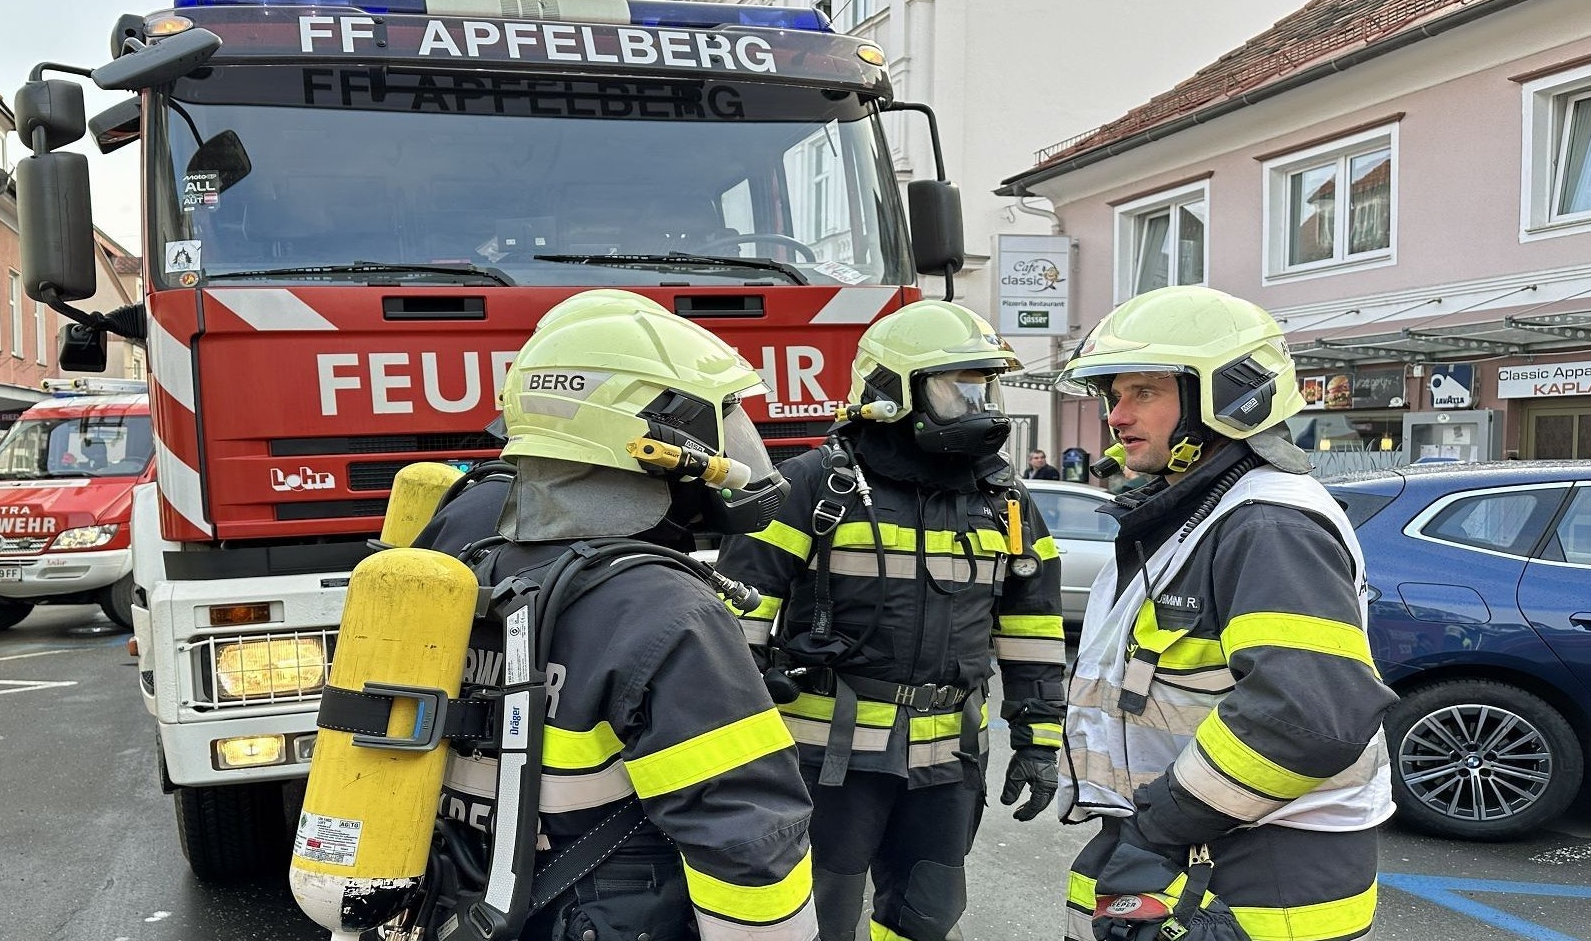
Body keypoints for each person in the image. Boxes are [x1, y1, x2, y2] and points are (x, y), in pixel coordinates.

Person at [412, 289, 817, 941]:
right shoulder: (667, 613)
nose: (740, 447)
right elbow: (746, 842)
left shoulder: (462, 547)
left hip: (465, 902)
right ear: (653, 441)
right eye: (724, 418)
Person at [1051, 286, 1396, 941]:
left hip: (1256, 873)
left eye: (1144, 392)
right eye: (1114, 395)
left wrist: (1157, 826)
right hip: (1203, 848)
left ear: (1229, 397)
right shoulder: (1202, 513)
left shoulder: (1267, 523)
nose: (1117, 416)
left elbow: (1308, 717)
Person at [716, 300, 1067, 941]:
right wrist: (737, 754)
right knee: (820, 918)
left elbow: (1032, 628)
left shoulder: (1005, 501)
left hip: (949, 762)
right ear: (892, 393)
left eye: (985, 388)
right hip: (829, 762)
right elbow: (737, 623)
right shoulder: (812, 486)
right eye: (958, 389)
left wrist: (1038, 740)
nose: (981, 407)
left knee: (928, 916)